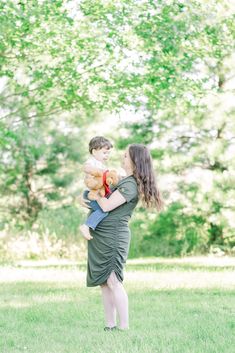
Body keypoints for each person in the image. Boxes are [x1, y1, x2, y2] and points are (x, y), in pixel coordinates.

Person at [80, 143, 163, 331]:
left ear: (135, 161)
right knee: (104, 282)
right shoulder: (125, 180)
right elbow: (100, 203)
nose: (121, 158)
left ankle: (124, 326)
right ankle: (110, 325)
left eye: (126, 156)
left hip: (113, 236)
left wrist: (96, 191)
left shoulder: (131, 185)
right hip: (101, 234)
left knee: (113, 280)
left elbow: (107, 206)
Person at [79, 136, 114, 241]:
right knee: (104, 211)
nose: (107, 156)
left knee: (102, 209)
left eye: (108, 153)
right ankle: (86, 226)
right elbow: (86, 168)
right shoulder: (92, 162)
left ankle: (92, 225)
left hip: (97, 193)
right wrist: (98, 171)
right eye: (104, 153)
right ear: (94, 152)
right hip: (91, 194)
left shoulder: (103, 165)